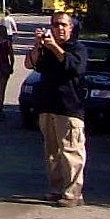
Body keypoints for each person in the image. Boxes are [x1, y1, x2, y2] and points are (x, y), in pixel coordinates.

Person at [24, 12, 88, 207]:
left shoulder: (77, 49)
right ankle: (56, 189)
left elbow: (73, 67)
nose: (59, 28)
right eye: (55, 25)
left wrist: (54, 46)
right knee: (52, 153)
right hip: (47, 107)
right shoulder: (47, 48)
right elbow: (30, 64)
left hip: (69, 109)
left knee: (71, 152)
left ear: (71, 28)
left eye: (63, 25)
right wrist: (37, 45)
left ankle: (73, 194)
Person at [0, 24, 14, 119]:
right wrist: (11, 66)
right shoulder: (7, 43)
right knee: (2, 88)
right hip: (4, 65)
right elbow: (11, 56)